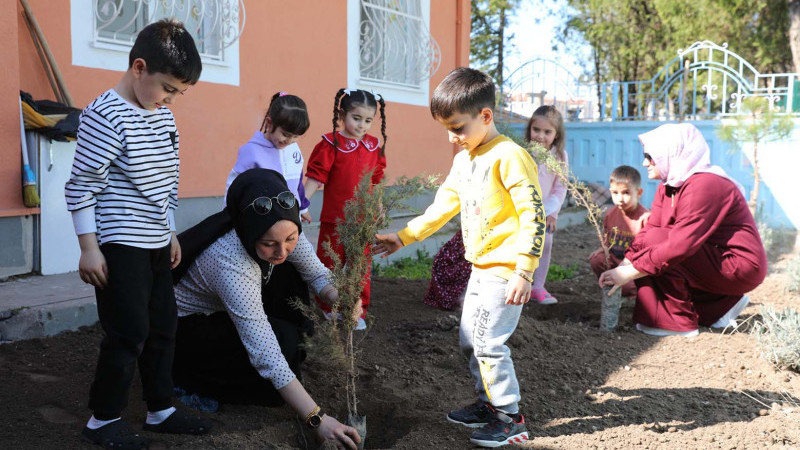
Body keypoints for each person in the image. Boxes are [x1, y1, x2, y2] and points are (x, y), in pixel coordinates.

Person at [374, 67, 545, 448]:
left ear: (486, 116)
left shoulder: (509, 157)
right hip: (480, 269)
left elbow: (534, 215)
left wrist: (524, 270)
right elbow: (442, 207)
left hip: (506, 270)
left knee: (489, 343)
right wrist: (404, 237)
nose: (453, 137)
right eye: (447, 129)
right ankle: (488, 404)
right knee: (471, 339)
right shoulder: (465, 159)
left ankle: (510, 418)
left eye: (458, 127)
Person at [64, 19, 209, 449]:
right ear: (139, 68)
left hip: (155, 242)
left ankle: (160, 409)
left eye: (180, 93)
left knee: (164, 325)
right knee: (128, 331)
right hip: (119, 244)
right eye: (168, 88)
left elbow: (169, 180)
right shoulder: (105, 115)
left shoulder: (163, 118)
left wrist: (170, 232)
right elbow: (82, 184)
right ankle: (103, 419)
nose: (172, 99)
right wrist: (88, 248)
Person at [171, 169, 361, 449]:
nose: (282, 251)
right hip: (185, 331)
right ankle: (192, 383)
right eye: (269, 244)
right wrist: (317, 419)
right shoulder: (230, 262)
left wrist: (339, 298)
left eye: (291, 239)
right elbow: (265, 352)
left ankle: (276, 383)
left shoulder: (280, 226)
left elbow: (317, 275)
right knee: (280, 343)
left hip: (222, 311)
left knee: (289, 288)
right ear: (249, 232)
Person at [599, 123, 767, 337]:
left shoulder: (705, 184)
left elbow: (681, 244)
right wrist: (625, 263)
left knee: (663, 244)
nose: (645, 162)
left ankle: (674, 322)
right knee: (654, 238)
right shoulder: (669, 185)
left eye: (650, 156)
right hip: (715, 259)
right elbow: (651, 229)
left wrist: (629, 272)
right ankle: (720, 306)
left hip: (739, 265)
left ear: (671, 153)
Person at [304, 89, 387, 329]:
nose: (362, 125)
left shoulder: (373, 146)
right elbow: (315, 176)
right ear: (342, 114)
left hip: (364, 220)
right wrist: (301, 203)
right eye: (356, 118)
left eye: (368, 120)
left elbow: (375, 179)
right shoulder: (331, 143)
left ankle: (357, 311)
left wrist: (379, 205)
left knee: (360, 266)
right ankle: (328, 307)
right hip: (335, 219)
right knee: (330, 263)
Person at [224, 91, 313, 223]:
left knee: (304, 245)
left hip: (291, 221)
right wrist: (228, 216)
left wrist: (303, 208)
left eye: (296, 136)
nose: (289, 141)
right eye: (285, 134)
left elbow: (297, 182)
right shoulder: (251, 151)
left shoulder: (293, 149)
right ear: (269, 123)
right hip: (261, 221)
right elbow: (234, 186)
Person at [525, 105, 569, 305]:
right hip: (522, 209)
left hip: (545, 211)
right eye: (536, 130)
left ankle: (537, 287)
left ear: (556, 134)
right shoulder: (523, 152)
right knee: (521, 244)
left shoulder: (560, 157)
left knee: (545, 244)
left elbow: (560, 188)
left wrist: (552, 214)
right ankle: (518, 283)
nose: (541, 136)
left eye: (547, 132)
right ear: (529, 129)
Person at [589, 165, 650, 299]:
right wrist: (603, 247)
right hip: (615, 258)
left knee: (627, 287)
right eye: (615, 193)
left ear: (639, 193)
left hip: (633, 266)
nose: (620, 198)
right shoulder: (611, 214)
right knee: (596, 259)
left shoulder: (645, 218)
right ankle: (610, 284)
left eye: (626, 193)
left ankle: (632, 291)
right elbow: (607, 236)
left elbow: (647, 251)